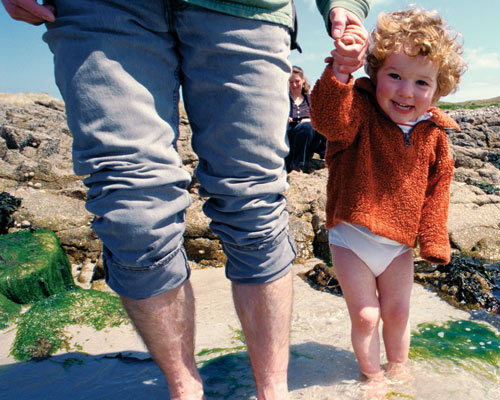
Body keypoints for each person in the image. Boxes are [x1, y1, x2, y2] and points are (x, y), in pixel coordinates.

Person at [2, 0, 370, 399]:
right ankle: (184, 388)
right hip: (100, 10)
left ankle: (273, 391)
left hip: (246, 10)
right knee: (133, 218)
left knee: (254, 205)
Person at [310, 7, 467, 396]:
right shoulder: (358, 111)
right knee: (366, 316)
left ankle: (398, 367)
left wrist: (433, 240)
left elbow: (437, 191)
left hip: (398, 244)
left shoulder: (434, 134)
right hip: (351, 234)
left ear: (438, 89)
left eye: (421, 82)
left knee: (397, 313)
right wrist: (340, 73)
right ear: (375, 73)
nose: (405, 91)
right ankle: (371, 376)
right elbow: (326, 120)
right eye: (394, 75)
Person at [285, 66, 326, 172]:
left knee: (318, 125)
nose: (294, 85)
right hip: (291, 139)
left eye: (297, 81)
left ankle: (329, 156)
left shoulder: (311, 99)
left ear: (303, 80)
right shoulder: (284, 99)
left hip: (310, 140)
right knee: (306, 127)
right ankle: (296, 165)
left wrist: (310, 120)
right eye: (291, 82)